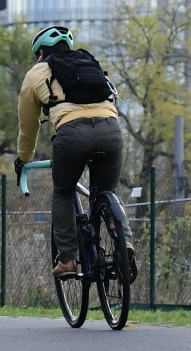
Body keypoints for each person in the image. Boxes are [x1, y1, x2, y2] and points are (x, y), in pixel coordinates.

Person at [14, 25, 123, 277]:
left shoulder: (36, 74)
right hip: (111, 130)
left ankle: (67, 260)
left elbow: (28, 125)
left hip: (71, 135)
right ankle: (123, 244)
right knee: (106, 193)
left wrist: (24, 158)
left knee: (63, 192)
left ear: (41, 53)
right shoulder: (89, 64)